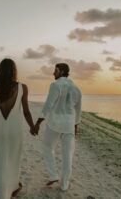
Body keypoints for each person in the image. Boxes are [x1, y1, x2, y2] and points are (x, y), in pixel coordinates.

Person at [0, 58, 35, 199]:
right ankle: (12, 188)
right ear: (14, 71)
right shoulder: (22, 87)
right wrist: (32, 126)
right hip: (15, 130)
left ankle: (5, 192)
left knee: (1, 161)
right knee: (14, 159)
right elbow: (26, 112)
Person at [34, 63, 82, 191]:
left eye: (55, 70)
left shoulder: (55, 85)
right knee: (68, 156)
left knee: (47, 146)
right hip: (69, 124)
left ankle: (53, 175)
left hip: (55, 123)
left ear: (62, 72)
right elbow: (78, 109)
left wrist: (38, 123)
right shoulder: (76, 88)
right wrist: (76, 126)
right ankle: (64, 185)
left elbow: (48, 105)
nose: (53, 73)